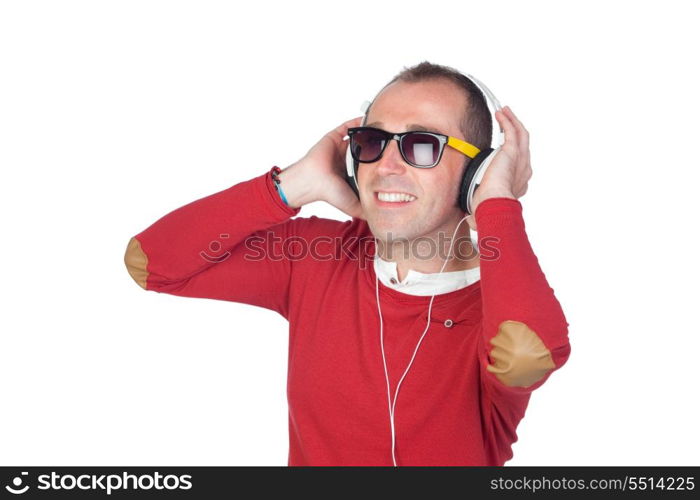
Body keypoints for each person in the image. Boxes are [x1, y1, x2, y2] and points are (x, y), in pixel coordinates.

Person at [124, 61, 571, 466]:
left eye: (421, 145)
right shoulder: (315, 257)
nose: (386, 166)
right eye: (373, 141)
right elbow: (152, 262)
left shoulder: (500, 299)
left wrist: (496, 202)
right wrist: (292, 185)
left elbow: (526, 353)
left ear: (476, 170)